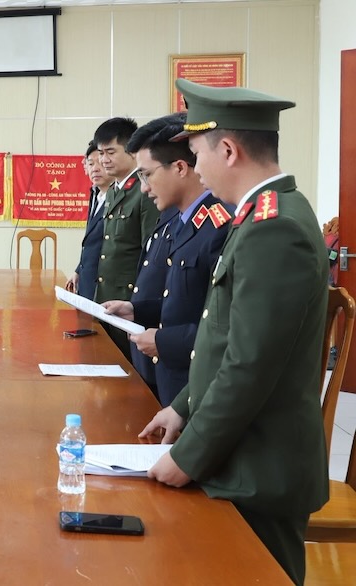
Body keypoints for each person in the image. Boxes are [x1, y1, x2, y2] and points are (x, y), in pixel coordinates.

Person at [139, 79, 328, 585]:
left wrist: (188, 455)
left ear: (228, 149)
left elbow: (250, 365)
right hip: (241, 453)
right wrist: (182, 408)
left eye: (198, 153)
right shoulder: (261, 217)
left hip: (258, 467)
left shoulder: (274, 228)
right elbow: (226, 341)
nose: (196, 168)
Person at [103, 113, 233, 407]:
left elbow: (222, 328)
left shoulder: (218, 226)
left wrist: (162, 341)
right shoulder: (183, 220)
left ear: (179, 167)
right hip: (173, 381)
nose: (144, 187)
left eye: (147, 175)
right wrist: (137, 309)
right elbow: (180, 300)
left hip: (197, 388)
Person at [92, 117, 161, 360]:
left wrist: (139, 304)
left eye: (111, 152)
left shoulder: (142, 192)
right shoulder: (113, 190)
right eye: (100, 153)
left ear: (131, 151)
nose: (103, 160)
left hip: (130, 301)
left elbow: (150, 253)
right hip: (108, 299)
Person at [65, 142, 110, 300]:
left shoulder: (118, 198)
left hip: (104, 288)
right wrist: (79, 270)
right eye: (91, 164)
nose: (95, 169)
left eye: (101, 163)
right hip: (87, 281)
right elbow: (91, 241)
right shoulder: (95, 194)